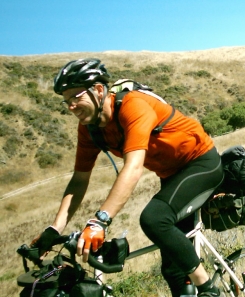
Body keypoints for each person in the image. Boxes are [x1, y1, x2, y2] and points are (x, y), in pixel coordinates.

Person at [30, 58, 224, 297]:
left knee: (154, 219)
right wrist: (54, 228)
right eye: (66, 101)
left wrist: (99, 221)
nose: (71, 106)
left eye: (76, 96)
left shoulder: (133, 106)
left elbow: (133, 168)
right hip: (171, 175)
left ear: (99, 90)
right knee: (174, 271)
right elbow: (79, 180)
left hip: (200, 162)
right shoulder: (89, 129)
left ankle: (209, 289)